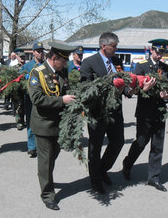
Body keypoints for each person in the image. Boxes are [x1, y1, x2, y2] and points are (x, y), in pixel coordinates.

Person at [28, 41, 76, 211]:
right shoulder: (37, 72)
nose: (66, 64)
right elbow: (37, 99)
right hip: (44, 125)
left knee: (52, 156)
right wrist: (61, 100)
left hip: (58, 124)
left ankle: (44, 176)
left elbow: (65, 90)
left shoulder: (61, 72)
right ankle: (48, 195)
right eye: (64, 60)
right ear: (54, 58)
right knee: (46, 160)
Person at [80, 32, 129, 194]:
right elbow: (86, 89)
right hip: (97, 112)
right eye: (114, 46)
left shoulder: (117, 61)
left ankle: (102, 169)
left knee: (118, 142)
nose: (116, 49)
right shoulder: (89, 63)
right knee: (95, 147)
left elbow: (124, 81)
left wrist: (128, 90)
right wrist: (108, 87)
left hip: (116, 111)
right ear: (104, 46)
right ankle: (95, 180)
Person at [122, 39, 168, 192]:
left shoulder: (165, 68)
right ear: (152, 50)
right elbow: (136, 88)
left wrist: (166, 96)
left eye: (162, 52)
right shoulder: (142, 66)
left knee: (158, 146)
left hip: (160, 111)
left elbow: (167, 86)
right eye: (158, 51)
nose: (159, 55)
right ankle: (127, 164)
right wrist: (145, 89)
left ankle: (154, 178)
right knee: (141, 142)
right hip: (145, 111)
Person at [20, 42, 45, 158]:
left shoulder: (46, 66)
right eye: (38, 51)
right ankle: (31, 147)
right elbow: (19, 80)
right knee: (30, 122)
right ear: (33, 52)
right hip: (30, 98)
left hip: (44, 98)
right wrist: (24, 78)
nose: (40, 53)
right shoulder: (27, 66)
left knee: (42, 123)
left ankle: (41, 147)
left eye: (41, 51)